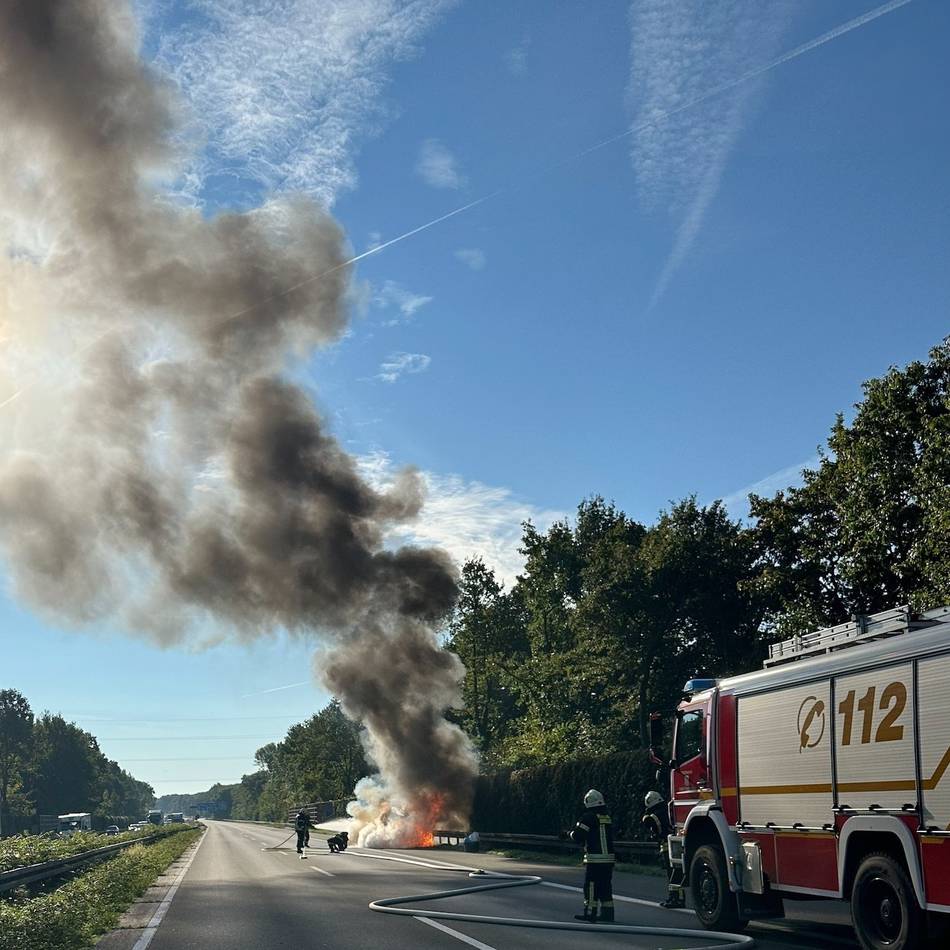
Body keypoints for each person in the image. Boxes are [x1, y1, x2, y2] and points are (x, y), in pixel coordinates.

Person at [570, 789, 615, 923]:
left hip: (595, 859)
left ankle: (590, 912)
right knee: (605, 886)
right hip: (609, 859)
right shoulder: (607, 817)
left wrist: (569, 834)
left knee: (591, 886)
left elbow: (578, 835)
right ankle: (608, 914)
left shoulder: (588, 817)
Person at [641, 790, 684, 908]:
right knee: (675, 872)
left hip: (668, 846)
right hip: (674, 844)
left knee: (673, 874)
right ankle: (675, 898)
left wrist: (645, 814)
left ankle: (677, 899)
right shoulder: (667, 809)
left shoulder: (656, 814)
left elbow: (648, 822)